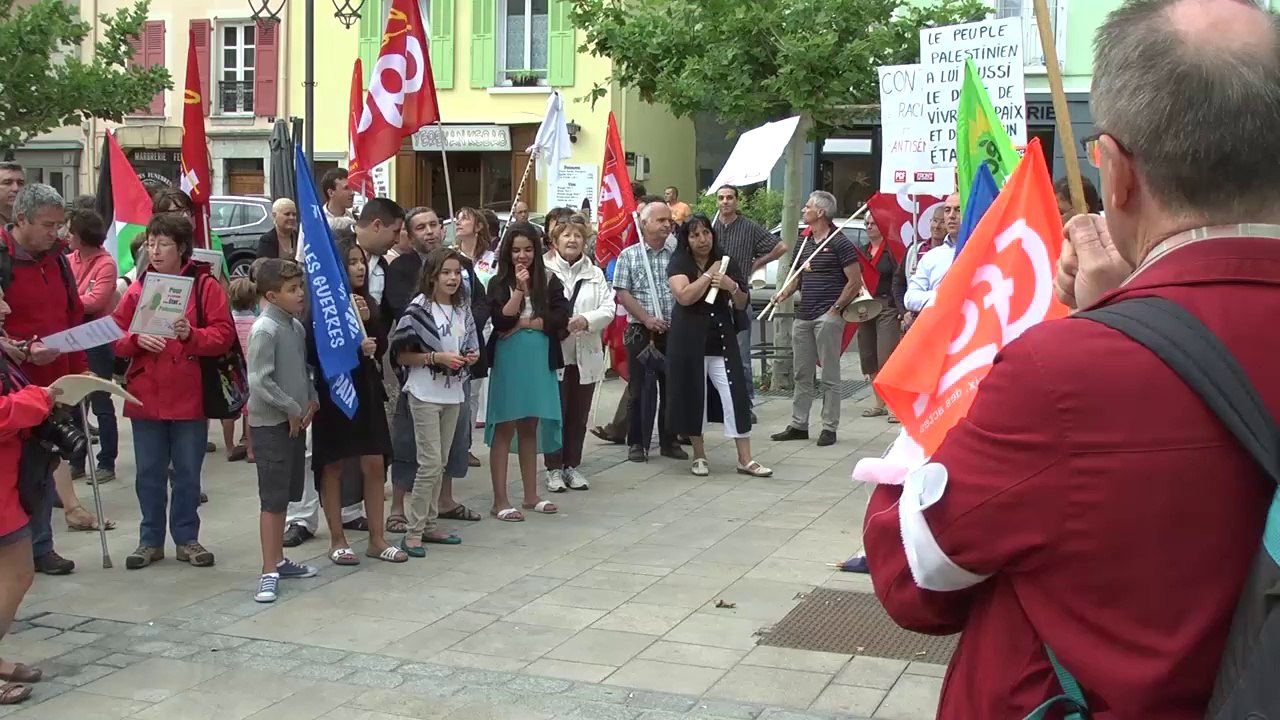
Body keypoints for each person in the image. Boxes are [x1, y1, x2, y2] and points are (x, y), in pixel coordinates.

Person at [865, 0, 1280, 717]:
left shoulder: (1064, 373)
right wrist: (1123, 313)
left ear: (1115, 173)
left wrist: (999, 354)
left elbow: (912, 574)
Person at [112, 212, 234, 570]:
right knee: (148, 473)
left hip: (189, 394)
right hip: (146, 394)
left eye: (163, 244)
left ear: (181, 248)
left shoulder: (205, 286)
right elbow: (114, 336)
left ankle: (186, 538)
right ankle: (149, 540)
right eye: (151, 244)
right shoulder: (139, 288)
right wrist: (136, 340)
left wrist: (191, 335)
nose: (154, 251)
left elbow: (224, 334)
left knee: (187, 473)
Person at [0, 184, 87, 574]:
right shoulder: (2, 258)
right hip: (16, 389)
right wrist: (17, 347)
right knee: (21, 473)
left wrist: (81, 367)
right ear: (21, 220)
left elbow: (73, 316)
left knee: (45, 466)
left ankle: (39, 546)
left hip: (55, 384)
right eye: (48, 225)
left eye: (59, 224)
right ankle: (25, 549)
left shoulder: (59, 260)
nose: (56, 233)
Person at [308, 231, 405, 564]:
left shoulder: (367, 302)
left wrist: (367, 322)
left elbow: (380, 344)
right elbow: (314, 351)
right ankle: (337, 538)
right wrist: (350, 344)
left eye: (361, 262)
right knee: (333, 464)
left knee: (374, 461)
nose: (360, 268)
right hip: (334, 390)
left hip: (366, 388)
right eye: (351, 263)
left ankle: (377, 539)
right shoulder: (319, 309)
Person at [665, 214, 771, 478]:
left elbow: (742, 302)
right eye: (695, 235)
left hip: (721, 340)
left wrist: (730, 285)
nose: (703, 239)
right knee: (695, 396)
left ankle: (745, 458)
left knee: (735, 395)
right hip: (689, 341)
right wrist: (708, 275)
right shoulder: (680, 262)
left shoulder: (726, 261)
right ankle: (699, 455)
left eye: (706, 233)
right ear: (687, 240)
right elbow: (684, 296)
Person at [390, 248, 478, 554]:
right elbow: (401, 354)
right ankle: (413, 532)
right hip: (425, 393)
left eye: (457, 273)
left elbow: (470, 343)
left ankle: (428, 525)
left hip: (453, 391)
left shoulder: (462, 309)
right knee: (428, 463)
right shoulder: (418, 309)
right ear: (432, 276)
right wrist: (435, 358)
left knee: (439, 462)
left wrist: (469, 355)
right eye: (446, 273)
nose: (453, 279)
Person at [484, 221, 570, 522]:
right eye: (516, 250)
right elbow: (501, 320)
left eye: (528, 250)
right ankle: (500, 500)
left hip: (540, 356)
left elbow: (561, 316)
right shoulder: (498, 282)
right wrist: (519, 292)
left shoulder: (550, 280)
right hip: (511, 357)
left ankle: (531, 495)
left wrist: (528, 323)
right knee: (505, 424)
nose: (522, 256)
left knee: (530, 424)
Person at [0, 284, 59, 707]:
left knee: (17, 573)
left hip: (9, 478)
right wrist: (38, 399)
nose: (6, 307)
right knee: (17, 572)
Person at [245, 259, 318, 602]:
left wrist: (311, 398)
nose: (300, 294)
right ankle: (268, 569)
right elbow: (259, 380)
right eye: (292, 289)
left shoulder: (295, 328)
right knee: (272, 500)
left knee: (286, 494)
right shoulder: (265, 329)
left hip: (295, 422)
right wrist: (290, 407)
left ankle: (279, 559)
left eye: (300, 287)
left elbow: (302, 370)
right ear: (272, 296)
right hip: (271, 426)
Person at [769, 191, 861, 447]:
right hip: (804, 315)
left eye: (808, 206)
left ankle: (829, 427)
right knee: (802, 373)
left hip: (827, 316)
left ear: (820, 212)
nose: (804, 210)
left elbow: (855, 281)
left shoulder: (840, 242)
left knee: (830, 374)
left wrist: (836, 310)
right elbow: (797, 277)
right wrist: (783, 293)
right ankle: (799, 424)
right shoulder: (805, 241)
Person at [612, 202, 688, 463]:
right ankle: (637, 442)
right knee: (640, 389)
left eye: (669, 220)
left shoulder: (678, 253)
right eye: (661, 220)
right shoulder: (629, 256)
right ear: (644, 224)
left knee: (672, 388)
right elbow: (623, 292)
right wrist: (646, 319)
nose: (667, 224)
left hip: (674, 330)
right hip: (641, 331)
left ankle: (669, 441)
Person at [543, 215, 614, 492]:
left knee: (578, 414)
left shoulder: (595, 273)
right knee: (554, 415)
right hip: (555, 354)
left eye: (578, 236)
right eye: (566, 235)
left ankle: (571, 465)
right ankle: (553, 468)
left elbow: (608, 308)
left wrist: (586, 320)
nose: (572, 240)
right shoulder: (545, 270)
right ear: (555, 241)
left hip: (586, 352)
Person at [712, 185, 788, 414]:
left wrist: (758, 263)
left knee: (741, 356)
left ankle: (745, 404)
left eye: (729, 197)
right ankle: (718, 403)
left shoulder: (749, 227)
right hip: (712, 298)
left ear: (737, 201)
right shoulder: (710, 228)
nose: (725, 201)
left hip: (739, 297)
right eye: (721, 198)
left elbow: (781, 246)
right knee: (713, 355)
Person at [66, 208, 120, 484]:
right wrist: (77, 298)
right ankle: (76, 461)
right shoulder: (68, 260)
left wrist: (68, 300)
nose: (66, 236)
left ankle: (106, 462)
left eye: (71, 231)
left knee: (101, 401)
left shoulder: (106, 263)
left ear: (83, 236)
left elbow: (96, 301)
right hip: (72, 336)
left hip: (98, 338)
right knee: (74, 403)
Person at [854, 210, 903, 422]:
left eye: (873, 223)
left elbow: (899, 279)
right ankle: (879, 403)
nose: (869, 227)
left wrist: (899, 308)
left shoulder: (891, 251)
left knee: (886, 355)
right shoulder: (863, 251)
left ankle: (894, 406)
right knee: (868, 356)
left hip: (886, 305)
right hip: (865, 306)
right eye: (866, 223)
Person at [903, 193, 960, 313]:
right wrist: (943, 296)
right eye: (947, 210)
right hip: (939, 321)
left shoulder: (985, 251)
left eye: (958, 210)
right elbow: (911, 298)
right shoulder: (931, 257)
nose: (951, 216)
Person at [893, 206, 946, 330]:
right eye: (934, 220)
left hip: (940, 320)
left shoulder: (955, 253)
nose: (937, 226)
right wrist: (904, 312)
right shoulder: (915, 249)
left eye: (942, 222)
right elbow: (898, 283)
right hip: (913, 322)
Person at [223, 278, 259, 462]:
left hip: (232, 371)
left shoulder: (228, 323)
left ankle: (229, 447)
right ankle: (251, 451)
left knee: (228, 413)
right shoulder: (257, 323)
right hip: (251, 371)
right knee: (250, 412)